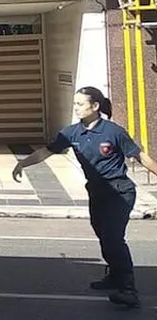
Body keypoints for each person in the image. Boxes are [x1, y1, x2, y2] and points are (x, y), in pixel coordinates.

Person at [12, 86, 157, 308]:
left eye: (80, 104)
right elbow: (47, 151)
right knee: (102, 235)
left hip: (119, 191)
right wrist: (23, 163)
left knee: (113, 237)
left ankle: (129, 289)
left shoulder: (113, 132)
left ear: (95, 106)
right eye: (75, 104)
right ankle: (114, 275)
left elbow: (141, 157)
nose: (76, 108)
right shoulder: (72, 133)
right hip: (97, 192)